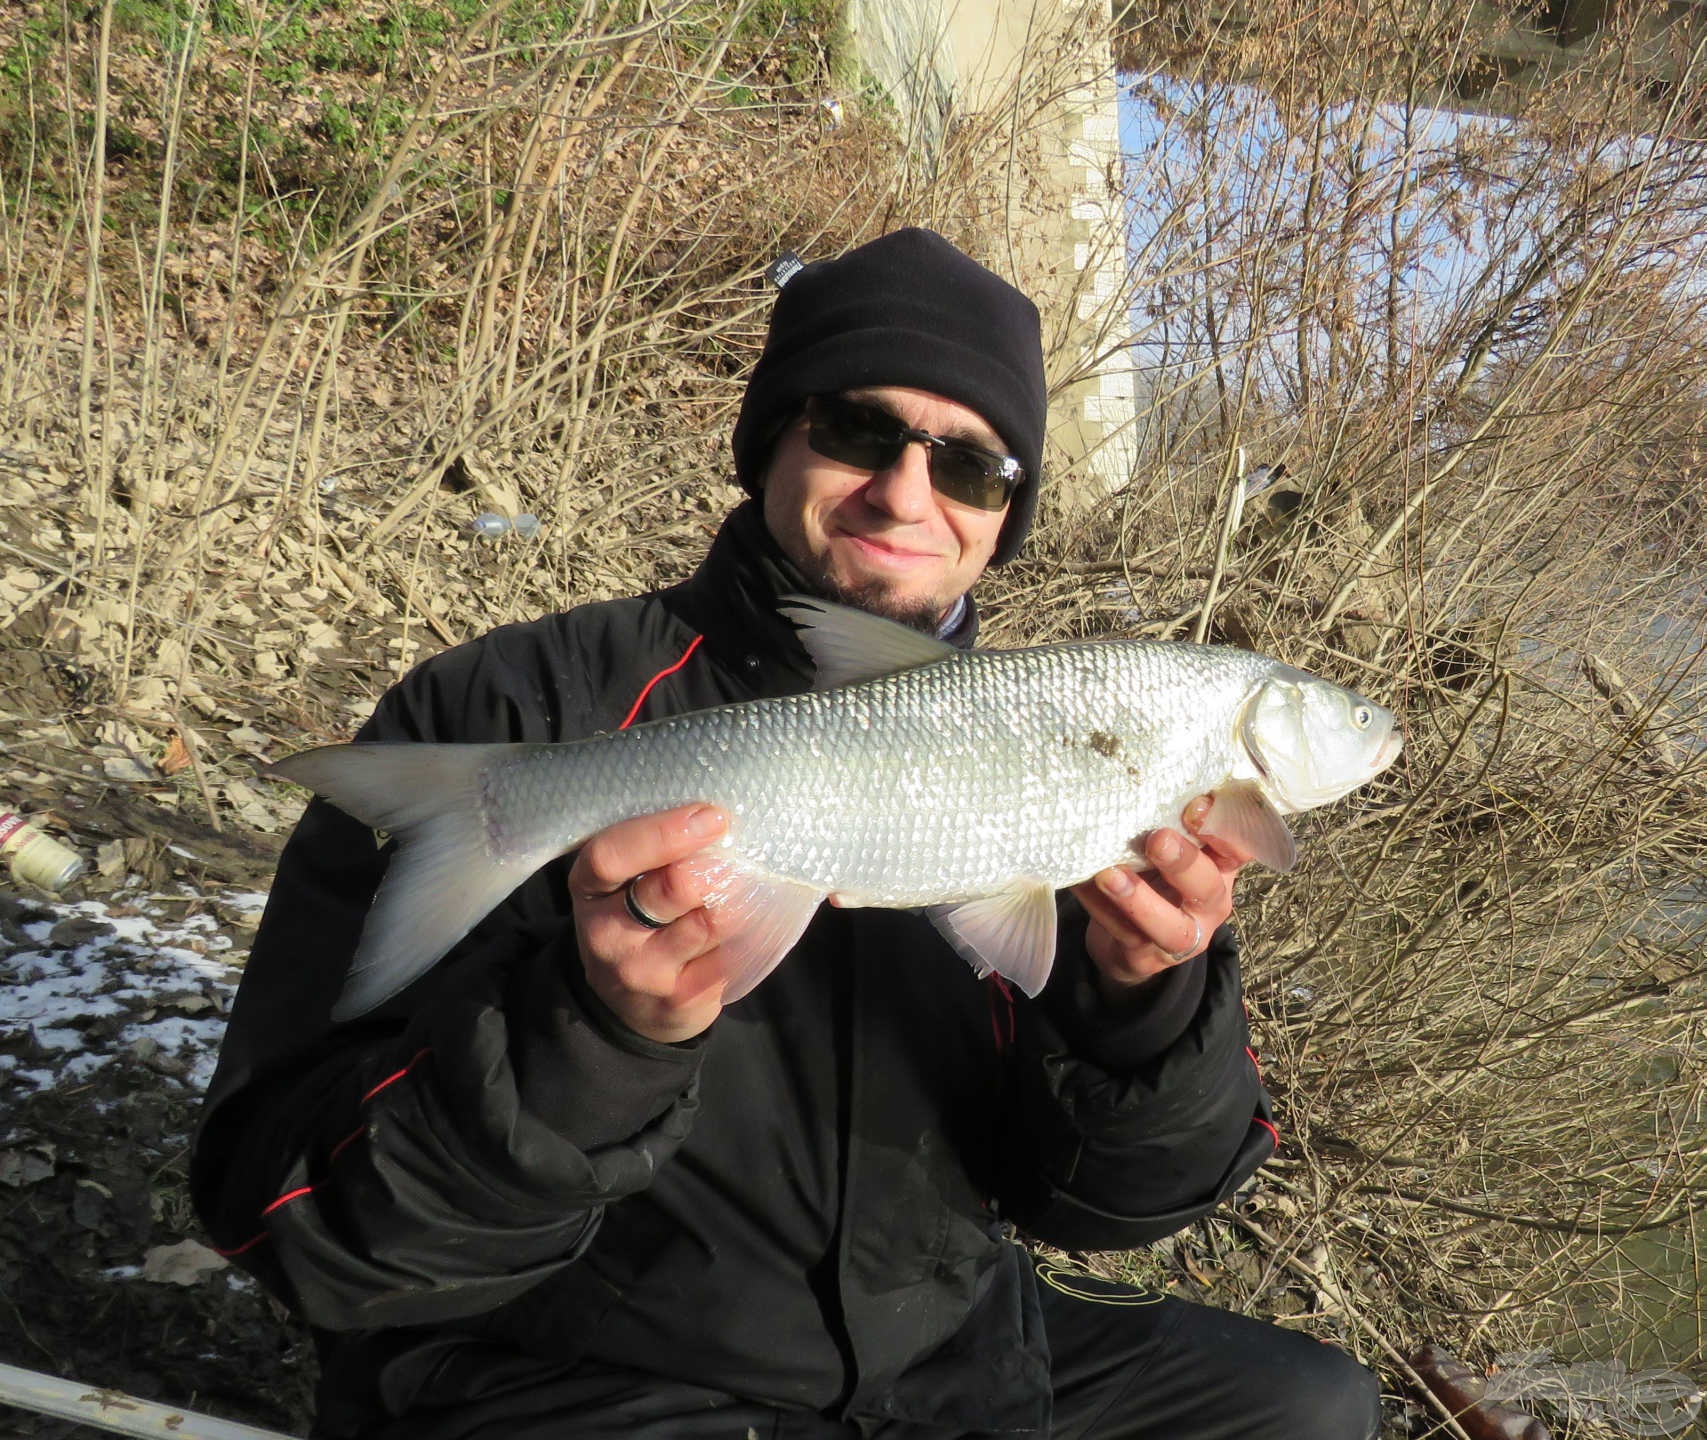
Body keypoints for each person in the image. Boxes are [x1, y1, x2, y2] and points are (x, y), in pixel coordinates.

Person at [192, 228, 1382, 1439]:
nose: (906, 493)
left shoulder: (1080, 763)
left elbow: (1106, 1207)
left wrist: (1148, 1008)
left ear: (1004, 513)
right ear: (774, 437)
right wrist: (592, 1041)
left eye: (969, 467)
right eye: (861, 431)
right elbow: (280, 1222)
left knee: (1312, 1407)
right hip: (578, 1375)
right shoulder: (507, 707)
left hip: (940, 1363)